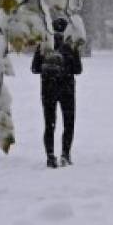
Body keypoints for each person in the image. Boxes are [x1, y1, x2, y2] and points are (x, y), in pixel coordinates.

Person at [31, 17, 83, 168]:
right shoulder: (70, 45)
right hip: (67, 89)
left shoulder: (45, 44)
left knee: (49, 124)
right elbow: (78, 70)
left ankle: (50, 156)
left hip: (48, 89)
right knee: (68, 123)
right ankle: (65, 155)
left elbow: (35, 68)